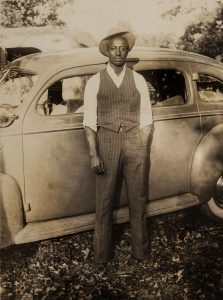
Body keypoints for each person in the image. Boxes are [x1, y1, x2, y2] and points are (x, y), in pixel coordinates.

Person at [83, 29, 153, 264]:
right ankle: (101, 256)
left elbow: (147, 118)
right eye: (114, 48)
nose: (118, 52)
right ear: (107, 52)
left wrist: (141, 146)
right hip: (107, 142)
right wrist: (94, 153)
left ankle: (141, 252)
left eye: (123, 48)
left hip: (135, 141)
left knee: (138, 198)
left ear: (127, 51)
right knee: (104, 201)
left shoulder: (138, 79)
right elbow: (89, 122)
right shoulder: (95, 81)